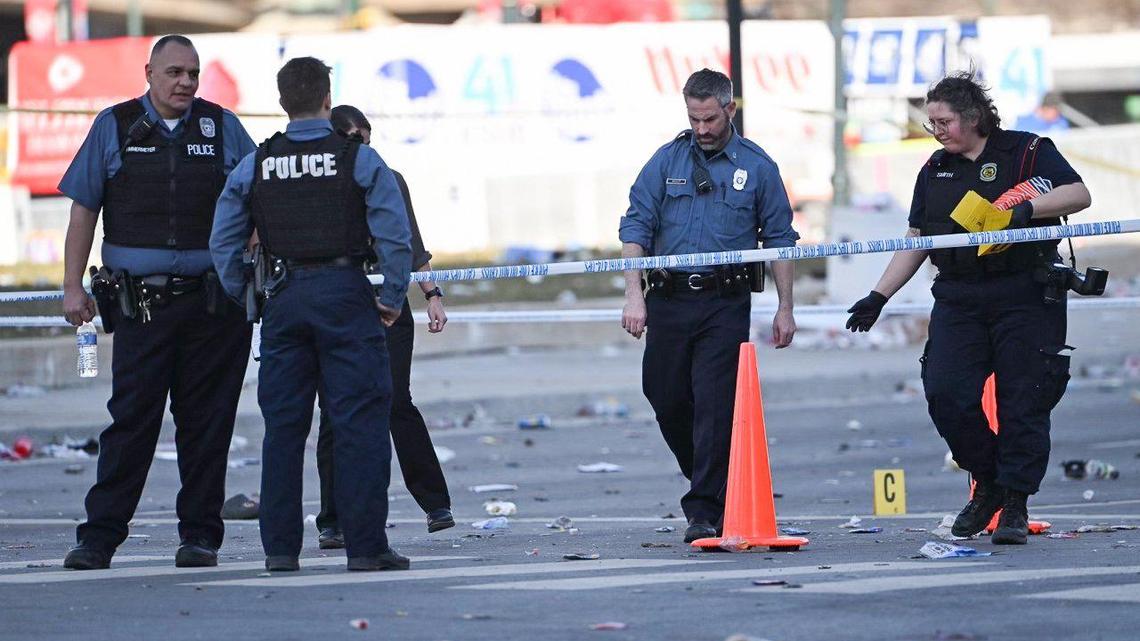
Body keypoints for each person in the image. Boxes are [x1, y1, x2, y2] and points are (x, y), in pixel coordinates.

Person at [846, 71, 1091, 545]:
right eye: (930, 123)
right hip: (959, 296)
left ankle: (1015, 503)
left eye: (943, 121)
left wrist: (1022, 212)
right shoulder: (934, 169)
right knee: (945, 392)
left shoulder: (1026, 151)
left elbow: (1078, 194)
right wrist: (880, 296)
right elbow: (918, 239)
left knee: (1024, 399)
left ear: (973, 116)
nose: (936, 131)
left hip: (1025, 293)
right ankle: (989, 481)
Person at [59, 35, 255, 570]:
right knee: (131, 422)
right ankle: (98, 537)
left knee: (207, 425)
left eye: (192, 73)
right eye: (174, 72)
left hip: (214, 308)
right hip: (141, 306)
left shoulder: (222, 127)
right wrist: (73, 286)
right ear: (149, 72)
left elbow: (259, 200)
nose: (185, 83)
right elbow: (83, 211)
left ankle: (199, 538)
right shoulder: (116, 124)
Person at [210, 57, 412, 571]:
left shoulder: (258, 161)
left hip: (285, 297)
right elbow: (394, 233)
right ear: (328, 98)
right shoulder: (358, 159)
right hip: (345, 294)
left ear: (282, 103)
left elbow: (224, 237)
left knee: (283, 429)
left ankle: (280, 551)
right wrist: (390, 295)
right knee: (359, 425)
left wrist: (245, 295)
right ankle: (366, 547)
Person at [618, 69, 799, 543]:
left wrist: (785, 308)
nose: (702, 129)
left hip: (725, 302)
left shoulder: (758, 167)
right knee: (665, 395)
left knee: (715, 405)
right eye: (694, 119)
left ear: (730, 110)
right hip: (670, 299)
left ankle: (703, 508)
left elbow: (779, 240)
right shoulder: (666, 160)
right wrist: (633, 294)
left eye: (710, 119)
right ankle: (711, 478)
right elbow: (635, 227)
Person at [313, 105, 454, 550]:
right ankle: (332, 519)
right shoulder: (320, 181)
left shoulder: (389, 178)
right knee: (335, 413)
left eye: (366, 137)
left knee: (396, 401)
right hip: (338, 305)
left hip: (389, 303)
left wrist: (432, 295)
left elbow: (410, 242)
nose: (362, 145)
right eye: (353, 137)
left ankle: (435, 503)